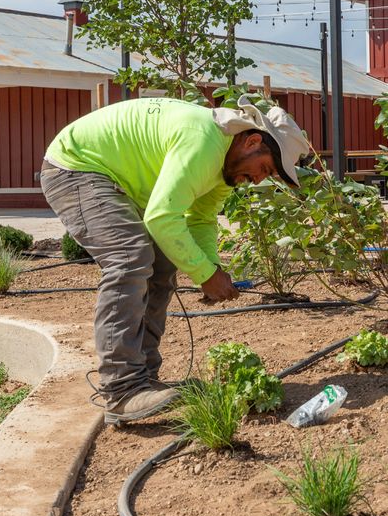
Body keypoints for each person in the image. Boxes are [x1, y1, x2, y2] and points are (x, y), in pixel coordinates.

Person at [40, 96, 312, 424]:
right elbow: (161, 217)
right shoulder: (204, 142)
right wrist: (205, 274)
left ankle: (143, 379)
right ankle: (122, 389)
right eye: (265, 169)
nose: (258, 180)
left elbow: (201, 219)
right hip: (76, 167)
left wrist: (211, 269)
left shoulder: (226, 168)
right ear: (252, 141)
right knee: (129, 257)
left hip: (112, 179)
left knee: (163, 261)